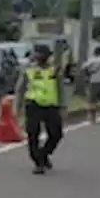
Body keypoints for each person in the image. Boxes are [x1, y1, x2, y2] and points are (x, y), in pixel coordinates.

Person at [14, 43, 66, 174]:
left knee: (56, 134)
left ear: (48, 56)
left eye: (42, 54)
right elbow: (20, 89)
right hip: (33, 105)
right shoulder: (29, 69)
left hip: (51, 105)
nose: (39, 57)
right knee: (33, 134)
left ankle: (43, 155)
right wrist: (17, 108)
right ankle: (38, 163)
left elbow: (61, 89)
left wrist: (63, 106)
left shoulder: (55, 70)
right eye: (37, 54)